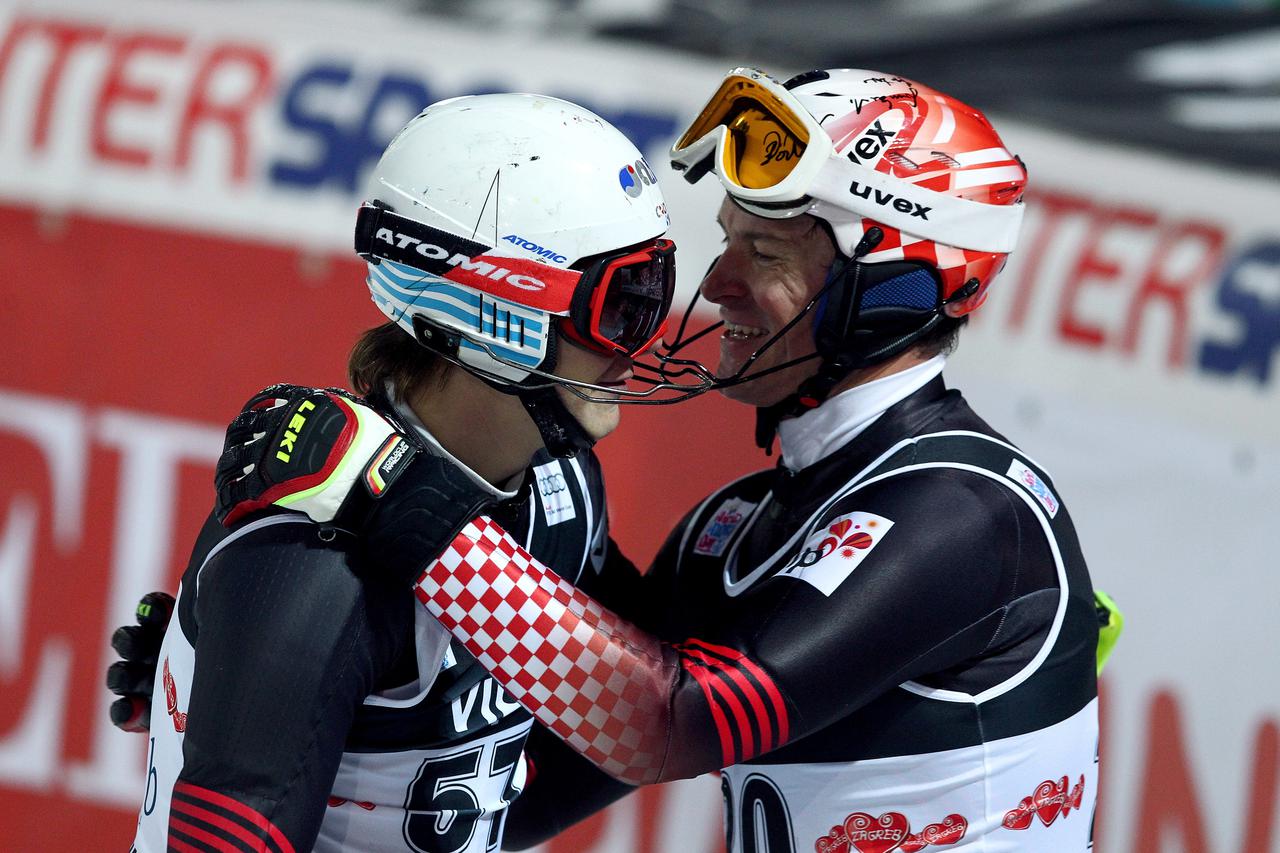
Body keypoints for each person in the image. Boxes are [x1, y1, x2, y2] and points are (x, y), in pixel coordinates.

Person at [115, 68, 1116, 852]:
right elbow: (558, 750)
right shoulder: (737, 526)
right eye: (722, 244)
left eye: (761, 256)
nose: (713, 287)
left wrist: (396, 497)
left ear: (891, 288)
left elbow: (674, 721)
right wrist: (247, 689)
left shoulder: (969, 509)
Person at [112, 92, 680, 853]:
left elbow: (657, 717)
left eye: (656, 294)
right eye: (623, 304)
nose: (635, 343)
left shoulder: (563, 489)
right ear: (495, 309)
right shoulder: (313, 559)